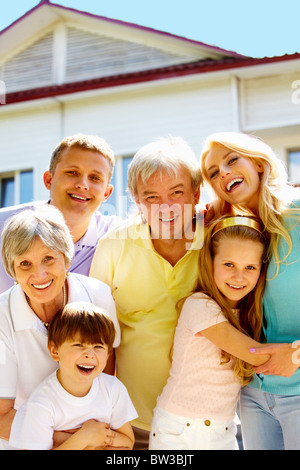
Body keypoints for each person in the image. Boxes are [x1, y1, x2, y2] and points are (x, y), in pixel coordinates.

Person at [90, 136, 203, 448]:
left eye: (176, 193)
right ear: (135, 201)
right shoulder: (113, 246)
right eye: (151, 197)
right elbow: (98, 337)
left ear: (196, 193)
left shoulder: (218, 244)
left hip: (204, 425)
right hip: (132, 425)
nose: (164, 207)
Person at [200, 131, 300, 450]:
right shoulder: (234, 235)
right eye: (214, 173)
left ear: (257, 163)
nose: (224, 173)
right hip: (253, 397)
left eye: (232, 160)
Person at [0, 205, 120, 450]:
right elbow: (1, 417)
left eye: (48, 259)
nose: (40, 274)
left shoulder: (98, 296)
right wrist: (76, 441)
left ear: (66, 257)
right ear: (12, 270)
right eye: (25, 264)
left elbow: (105, 382)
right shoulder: (2, 317)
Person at [149, 215, 270, 450]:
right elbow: (254, 354)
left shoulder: (249, 314)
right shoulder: (199, 305)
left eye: (250, 268)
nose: (239, 277)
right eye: (229, 265)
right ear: (210, 262)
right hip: (177, 430)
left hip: (222, 431)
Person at [0, 133, 121, 294]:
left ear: (107, 192)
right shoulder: (3, 227)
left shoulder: (117, 237)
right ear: (49, 180)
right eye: (72, 172)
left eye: (94, 177)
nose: (83, 184)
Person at [9, 302, 137, 450]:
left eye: (98, 347)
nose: (90, 354)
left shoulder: (113, 389)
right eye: (79, 345)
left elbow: (127, 442)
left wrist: (64, 443)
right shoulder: (42, 404)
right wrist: (84, 438)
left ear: (108, 355)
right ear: (55, 351)